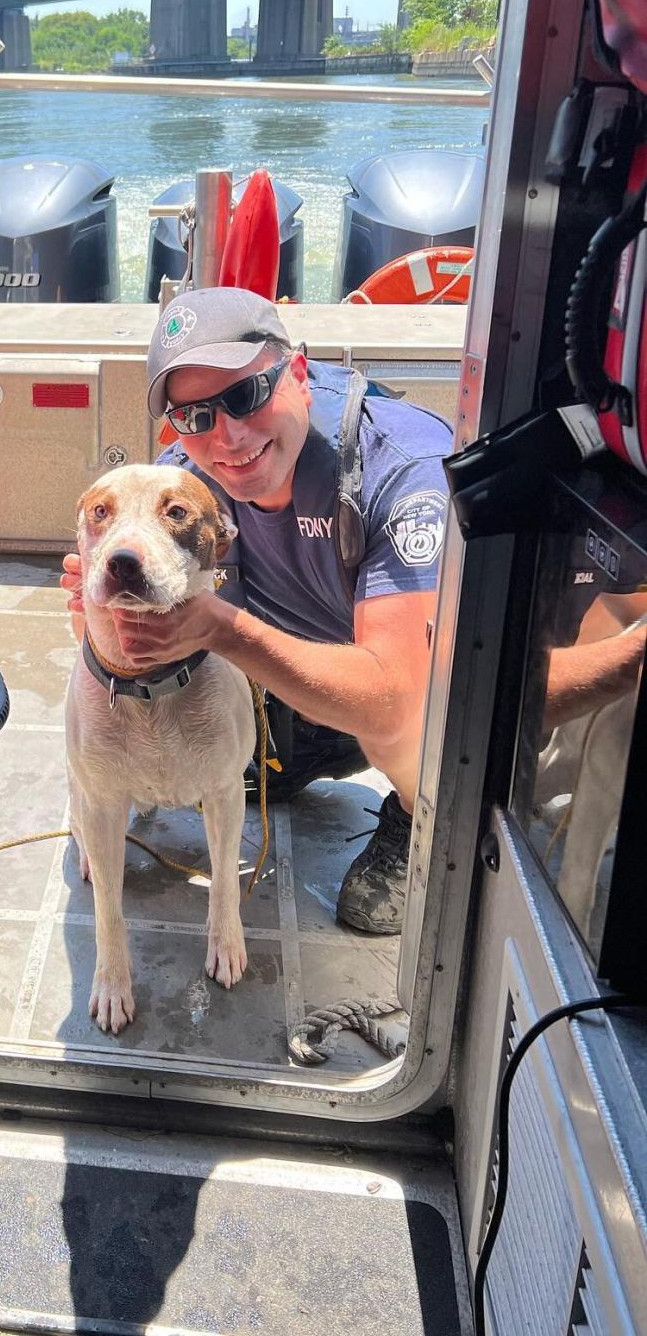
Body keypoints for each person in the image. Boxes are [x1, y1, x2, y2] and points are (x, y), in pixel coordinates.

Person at [61, 287, 454, 935]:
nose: (228, 434)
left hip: (406, 682)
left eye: (245, 395)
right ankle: (303, 737)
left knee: (400, 723)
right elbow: (123, 648)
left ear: (297, 371)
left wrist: (219, 626)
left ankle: (413, 815)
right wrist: (99, 610)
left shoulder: (402, 470)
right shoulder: (180, 484)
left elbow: (399, 696)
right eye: (194, 414)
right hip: (291, 671)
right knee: (229, 749)